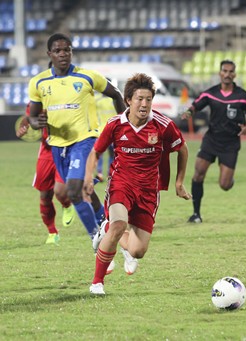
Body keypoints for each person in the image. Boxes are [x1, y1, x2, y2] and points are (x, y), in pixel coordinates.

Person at [83, 73, 191, 295]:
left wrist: (179, 182)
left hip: (148, 191)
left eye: (149, 99)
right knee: (119, 224)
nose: (144, 104)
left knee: (138, 251)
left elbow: (182, 149)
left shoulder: (163, 125)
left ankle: (105, 229)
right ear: (128, 100)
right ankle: (97, 282)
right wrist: (88, 178)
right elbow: (96, 151)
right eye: (140, 99)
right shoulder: (115, 125)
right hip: (121, 183)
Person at [27, 33, 126, 242]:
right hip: (57, 146)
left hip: (85, 141)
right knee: (84, 190)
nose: (63, 54)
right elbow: (33, 117)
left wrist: (124, 123)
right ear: (49, 54)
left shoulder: (86, 77)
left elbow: (116, 94)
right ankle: (105, 225)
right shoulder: (39, 83)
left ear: (71, 52)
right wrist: (38, 123)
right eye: (58, 51)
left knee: (73, 191)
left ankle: (96, 240)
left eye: (67, 50)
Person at [182, 60, 246, 223]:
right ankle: (196, 214)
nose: (227, 74)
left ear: (234, 74)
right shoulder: (211, 93)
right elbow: (196, 105)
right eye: (225, 71)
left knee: (224, 185)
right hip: (212, 139)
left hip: (231, 143)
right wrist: (188, 112)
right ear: (220, 73)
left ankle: (229, 180)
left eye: (231, 71)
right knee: (198, 173)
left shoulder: (242, 96)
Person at [16, 102, 75, 245]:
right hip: (46, 153)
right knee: (44, 196)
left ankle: (66, 205)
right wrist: (24, 126)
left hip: (65, 149)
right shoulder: (38, 97)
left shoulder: (67, 96)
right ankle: (52, 232)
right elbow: (29, 116)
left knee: (60, 191)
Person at [94, 91, 116, 182]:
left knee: (99, 153)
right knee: (112, 154)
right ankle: (109, 173)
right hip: (112, 131)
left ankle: (99, 173)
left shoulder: (97, 100)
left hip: (100, 131)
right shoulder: (113, 101)